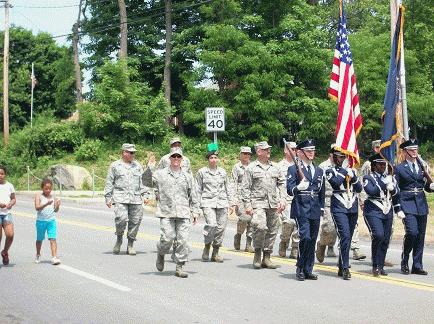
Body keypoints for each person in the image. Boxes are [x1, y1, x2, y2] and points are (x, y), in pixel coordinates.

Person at [144, 147, 200, 278]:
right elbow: (146, 182)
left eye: (178, 157)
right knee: (167, 238)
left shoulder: (187, 176)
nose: (176, 159)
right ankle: (161, 253)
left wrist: (195, 212)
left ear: (182, 159)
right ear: (169, 159)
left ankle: (179, 266)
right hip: (166, 212)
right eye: (173, 157)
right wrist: (149, 168)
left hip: (183, 212)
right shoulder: (160, 174)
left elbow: (194, 194)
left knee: (183, 241)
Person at [241, 141, 286, 269]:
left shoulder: (275, 167)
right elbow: (245, 188)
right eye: (266, 150)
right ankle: (257, 253)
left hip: (273, 203)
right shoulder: (251, 168)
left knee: (272, 230)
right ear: (259, 152)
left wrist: (283, 200)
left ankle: (267, 257)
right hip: (258, 203)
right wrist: (248, 205)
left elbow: (282, 184)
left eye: (269, 149)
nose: (268, 151)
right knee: (260, 227)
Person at [287, 139, 325, 281]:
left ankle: (308, 269)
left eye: (313, 150)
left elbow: (322, 191)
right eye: (308, 151)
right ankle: (300, 267)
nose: (311, 153)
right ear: (300, 152)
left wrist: (321, 209)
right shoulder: (293, 169)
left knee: (313, 239)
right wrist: (298, 188)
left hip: (314, 208)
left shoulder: (319, 170)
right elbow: (289, 190)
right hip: (301, 207)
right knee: (306, 237)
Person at [395, 139, 434, 275]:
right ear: (405, 152)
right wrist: (398, 207)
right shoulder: (399, 168)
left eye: (416, 149)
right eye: (412, 150)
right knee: (412, 232)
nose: (415, 152)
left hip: (421, 204)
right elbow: (396, 189)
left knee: (420, 236)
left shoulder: (423, 166)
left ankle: (417, 265)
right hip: (407, 203)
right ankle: (405, 260)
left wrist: (431, 187)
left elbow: (425, 186)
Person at [362, 153, 404, 277]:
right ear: (374, 166)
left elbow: (396, 194)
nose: (383, 166)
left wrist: (398, 208)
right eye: (380, 164)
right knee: (378, 235)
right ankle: (375, 265)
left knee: (385, 239)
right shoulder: (368, 178)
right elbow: (371, 191)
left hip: (387, 209)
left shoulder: (390, 177)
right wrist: (384, 183)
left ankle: (380, 265)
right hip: (373, 209)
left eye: (384, 164)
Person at [325, 149, 362, 280]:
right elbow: (335, 183)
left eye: (344, 157)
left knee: (348, 237)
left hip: (352, 205)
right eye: (339, 157)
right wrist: (345, 172)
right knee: (344, 235)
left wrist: (354, 177)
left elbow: (359, 188)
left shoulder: (352, 171)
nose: (342, 159)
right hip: (339, 206)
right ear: (334, 158)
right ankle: (346, 267)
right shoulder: (330, 171)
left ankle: (341, 264)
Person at [104, 143, 147, 255]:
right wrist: (108, 197)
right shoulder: (115, 166)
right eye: (131, 152)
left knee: (135, 221)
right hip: (120, 198)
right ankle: (119, 240)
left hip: (136, 198)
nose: (133, 154)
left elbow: (142, 182)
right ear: (123, 153)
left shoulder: (138, 166)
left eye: (134, 153)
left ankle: (130, 244)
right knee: (121, 219)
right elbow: (109, 182)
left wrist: (146, 195)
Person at [197, 150, 235, 263]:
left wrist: (231, 203)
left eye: (215, 157)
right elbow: (198, 189)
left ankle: (215, 252)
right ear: (208, 160)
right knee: (211, 225)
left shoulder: (222, 172)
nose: (213, 160)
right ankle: (207, 246)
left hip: (222, 203)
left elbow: (228, 187)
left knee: (221, 228)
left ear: (217, 159)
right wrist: (196, 205)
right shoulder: (202, 172)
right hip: (207, 202)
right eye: (211, 158)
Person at [276, 141, 300, 259]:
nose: (294, 151)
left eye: (296, 149)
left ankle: (295, 247)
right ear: (286, 150)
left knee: (298, 224)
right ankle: (284, 241)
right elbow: (276, 184)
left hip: (298, 199)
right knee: (289, 222)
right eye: (292, 149)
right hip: (285, 199)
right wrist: (279, 200)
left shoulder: (300, 165)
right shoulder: (279, 166)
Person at [316, 148, 338, 262]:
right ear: (331, 154)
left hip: (343, 201)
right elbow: (318, 185)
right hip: (327, 200)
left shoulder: (345, 166)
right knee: (329, 227)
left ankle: (343, 262)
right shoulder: (323, 166)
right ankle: (322, 244)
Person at [34, 178, 61, 265]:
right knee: (39, 240)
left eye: (50, 188)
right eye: (46, 188)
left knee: (53, 239)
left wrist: (57, 205)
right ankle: (38, 254)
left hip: (51, 221)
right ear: (42, 188)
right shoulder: (39, 196)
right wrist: (46, 203)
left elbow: (56, 210)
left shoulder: (53, 197)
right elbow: (37, 207)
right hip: (41, 221)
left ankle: (54, 257)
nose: (48, 190)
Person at [232, 146, 254, 253]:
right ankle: (238, 235)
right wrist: (234, 199)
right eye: (244, 153)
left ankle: (249, 244)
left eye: (248, 154)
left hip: (251, 196)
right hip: (240, 196)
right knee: (244, 218)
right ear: (240, 154)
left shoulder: (253, 166)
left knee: (252, 219)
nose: (246, 156)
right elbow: (234, 183)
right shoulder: (236, 167)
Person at [0, 165, 16, 266]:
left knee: (10, 235)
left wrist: (11, 203)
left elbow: (13, 198)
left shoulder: (9, 185)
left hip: (6, 213)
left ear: (5, 174)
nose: (0, 175)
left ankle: (5, 252)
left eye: (2, 173)